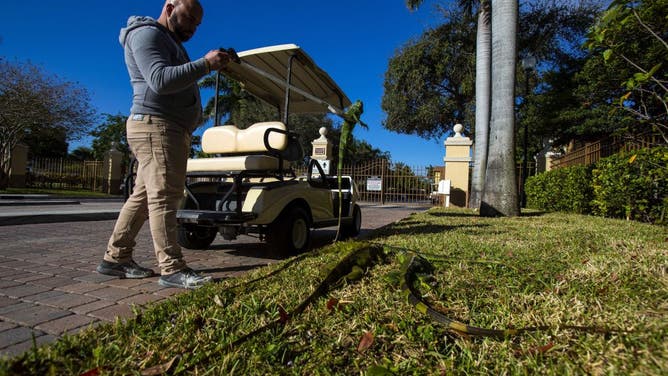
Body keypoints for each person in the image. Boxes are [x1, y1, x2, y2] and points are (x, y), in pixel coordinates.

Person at [96, 0, 232, 289]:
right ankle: (171, 268)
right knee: (165, 197)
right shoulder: (147, 34)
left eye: (197, 23)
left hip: (166, 127)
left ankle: (115, 258)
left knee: (144, 198)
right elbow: (158, 80)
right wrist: (206, 64)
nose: (193, 27)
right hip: (157, 125)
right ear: (170, 7)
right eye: (189, 18)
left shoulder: (168, 40)